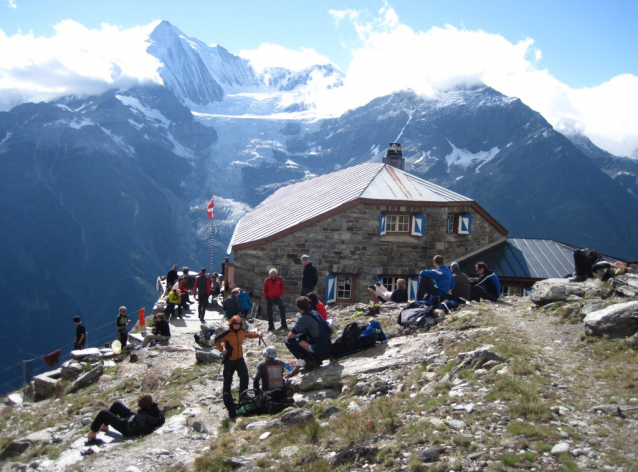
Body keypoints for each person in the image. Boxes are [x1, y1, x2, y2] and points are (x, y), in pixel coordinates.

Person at [215, 315, 263, 419]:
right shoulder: (227, 334)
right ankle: (228, 401)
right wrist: (221, 349)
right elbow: (217, 340)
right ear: (231, 324)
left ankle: (243, 395)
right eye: (235, 324)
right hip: (229, 360)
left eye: (239, 324)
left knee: (245, 376)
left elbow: (249, 334)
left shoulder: (241, 331)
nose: (237, 326)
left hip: (240, 359)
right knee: (228, 380)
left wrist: (258, 335)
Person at [85, 394, 165, 442]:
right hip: (133, 420)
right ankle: (105, 425)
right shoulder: (155, 408)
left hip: (127, 428)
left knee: (103, 412)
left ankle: (92, 433)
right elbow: (162, 421)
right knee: (117, 404)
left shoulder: (142, 417)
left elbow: (147, 431)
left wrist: (141, 428)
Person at [285, 297, 331, 377]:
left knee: (289, 341)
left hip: (318, 348)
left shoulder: (304, 318)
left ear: (298, 308)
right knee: (303, 336)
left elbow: (291, 335)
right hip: (326, 345)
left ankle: (310, 361)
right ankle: (316, 358)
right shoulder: (315, 313)